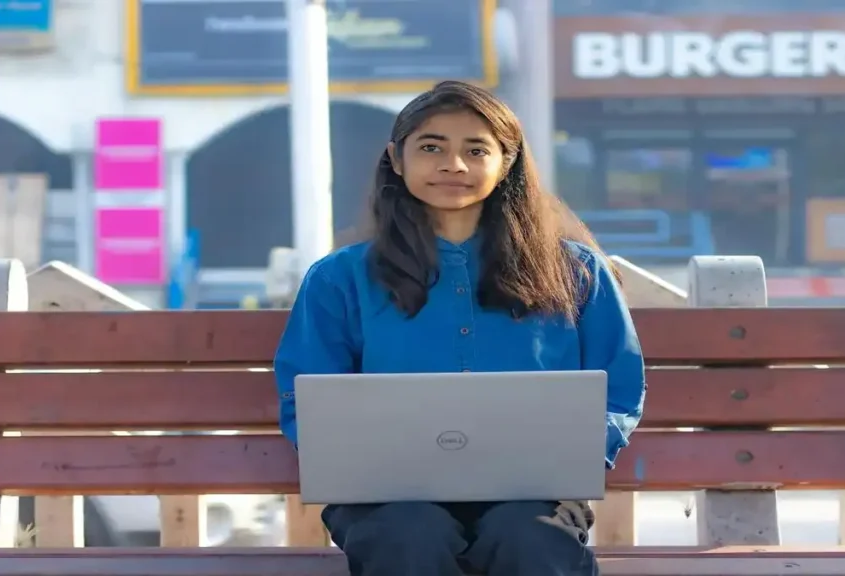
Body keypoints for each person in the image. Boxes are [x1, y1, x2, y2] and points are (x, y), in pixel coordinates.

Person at [274, 80, 645, 576]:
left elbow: (619, 386)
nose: (454, 165)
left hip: (534, 494)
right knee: (408, 539)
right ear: (397, 159)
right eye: (431, 147)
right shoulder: (339, 279)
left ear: (507, 162)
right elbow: (306, 393)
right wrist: (348, 459)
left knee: (529, 541)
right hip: (387, 496)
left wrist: (577, 455)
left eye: (476, 149)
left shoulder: (575, 272)